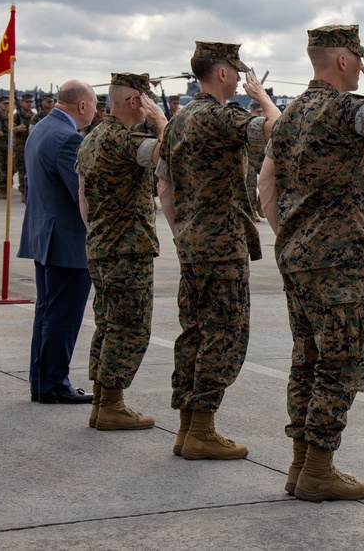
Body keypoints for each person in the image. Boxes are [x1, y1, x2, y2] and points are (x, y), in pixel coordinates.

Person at [259, 24, 364, 501]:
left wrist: (291, 237)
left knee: (306, 360)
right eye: (361, 56)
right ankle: (319, 470)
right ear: (346, 61)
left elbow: (265, 185)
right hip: (337, 260)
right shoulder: (345, 108)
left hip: (298, 256)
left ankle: (299, 465)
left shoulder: (288, 115)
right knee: (342, 364)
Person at [157, 42, 279, 459]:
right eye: (237, 71)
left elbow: (164, 188)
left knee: (193, 331)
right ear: (224, 73)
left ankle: (187, 428)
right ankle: (203, 430)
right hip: (222, 246)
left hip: (191, 244)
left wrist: (183, 234)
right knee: (223, 335)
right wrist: (262, 98)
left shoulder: (179, 120)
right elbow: (279, 132)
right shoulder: (223, 116)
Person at [76, 72, 166, 431]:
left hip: (101, 244)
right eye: (146, 100)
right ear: (135, 102)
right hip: (126, 249)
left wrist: (95, 232)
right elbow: (171, 151)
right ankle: (112, 404)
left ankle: (102, 401)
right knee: (129, 327)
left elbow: (83, 196)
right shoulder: (124, 140)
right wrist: (161, 121)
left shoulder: (93, 137)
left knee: (108, 324)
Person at [16, 80, 97, 405]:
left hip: (44, 236)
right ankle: (52, 383)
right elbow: (83, 194)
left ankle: (42, 382)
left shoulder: (41, 128)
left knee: (48, 313)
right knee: (62, 316)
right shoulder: (67, 139)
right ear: (81, 106)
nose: (95, 110)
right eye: (93, 104)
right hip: (65, 242)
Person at [245, 101, 266, 221]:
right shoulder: (248, 122)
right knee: (251, 186)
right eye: (257, 111)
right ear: (252, 111)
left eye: (260, 111)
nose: (259, 113)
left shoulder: (264, 122)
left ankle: (260, 204)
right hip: (250, 158)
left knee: (268, 182)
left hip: (261, 157)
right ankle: (252, 211)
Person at [12, 93, 34, 201]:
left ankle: (30, 191)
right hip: (20, 146)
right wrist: (17, 128)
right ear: (22, 103)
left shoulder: (33, 116)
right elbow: (9, 129)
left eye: (31, 102)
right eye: (27, 102)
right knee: (22, 170)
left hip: (31, 145)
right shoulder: (16, 116)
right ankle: (23, 192)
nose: (29, 104)